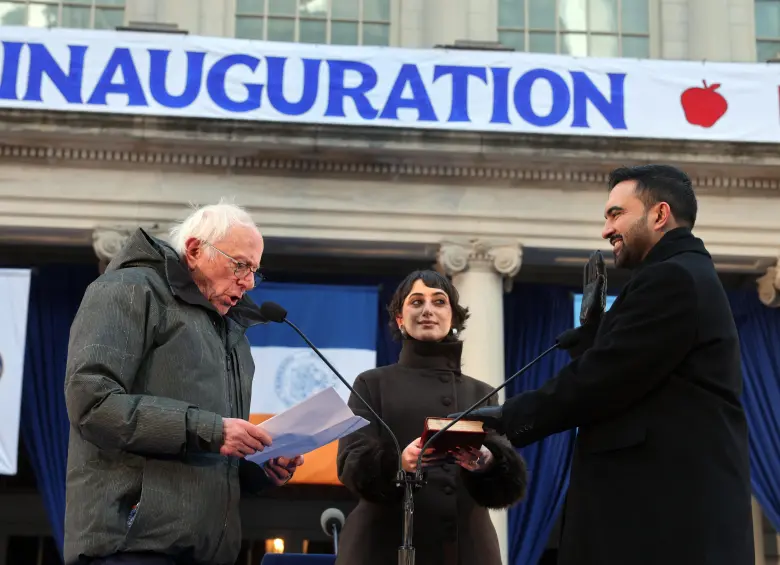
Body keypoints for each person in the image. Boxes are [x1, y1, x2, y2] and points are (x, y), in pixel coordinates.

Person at [454, 164, 755, 565]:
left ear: (659, 214)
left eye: (616, 214)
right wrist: (594, 335)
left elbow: (604, 380)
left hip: (663, 526)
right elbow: (635, 375)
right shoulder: (680, 274)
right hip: (661, 521)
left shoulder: (673, 278)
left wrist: (507, 417)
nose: (606, 230)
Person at [63, 202, 305, 565]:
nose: (249, 282)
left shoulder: (231, 333)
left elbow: (206, 449)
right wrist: (214, 431)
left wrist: (261, 467)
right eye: (240, 265)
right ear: (194, 250)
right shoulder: (127, 289)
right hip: (131, 546)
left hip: (207, 552)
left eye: (255, 271)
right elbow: (93, 404)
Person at [335, 270, 527, 565]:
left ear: (453, 317)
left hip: (466, 549)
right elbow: (351, 463)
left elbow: (506, 484)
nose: (427, 310)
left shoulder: (483, 392)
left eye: (439, 301)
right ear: (400, 319)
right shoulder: (371, 384)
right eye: (416, 302)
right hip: (383, 547)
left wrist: (488, 462)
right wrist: (400, 463)